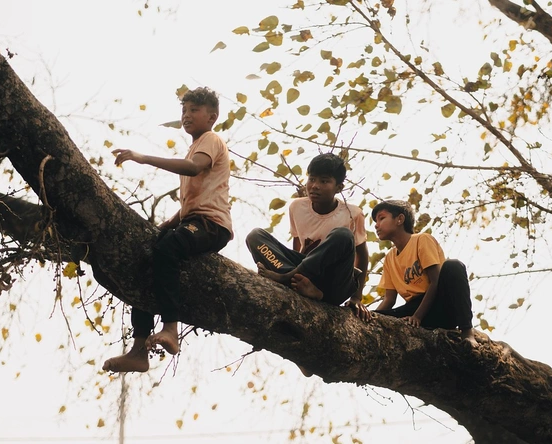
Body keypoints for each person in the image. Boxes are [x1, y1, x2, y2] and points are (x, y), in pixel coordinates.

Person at [102, 86, 234, 373]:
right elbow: (191, 206)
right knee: (146, 258)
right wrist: (164, 226)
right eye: (184, 110)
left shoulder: (211, 140)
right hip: (193, 222)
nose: (186, 115)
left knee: (167, 249)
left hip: (211, 226)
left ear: (212, 117)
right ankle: (139, 350)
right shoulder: (195, 146)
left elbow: (193, 168)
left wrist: (143, 158)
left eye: (194, 110)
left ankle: (171, 329)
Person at [245, 153, 370, 320]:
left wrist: (356, 297)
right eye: (312, 179)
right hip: (306, 275)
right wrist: (296, 272)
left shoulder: (352, 213)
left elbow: (362, 255)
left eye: (324, 181)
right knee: (255, 236)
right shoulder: (297, 207)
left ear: (339, 187)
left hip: (335, 283)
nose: (315, 186)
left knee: (343, 235)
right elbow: (297, 245)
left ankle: (291, 279)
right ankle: (293, 278)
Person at [371, 200, 477, 345]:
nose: (376, 225)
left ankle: (467, 332)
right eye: (375, 221)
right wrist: (369, 316)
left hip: (440, 303)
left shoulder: (422, 239)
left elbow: (435, 281)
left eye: (381, 218)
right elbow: (389, 300)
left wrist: (417, 316)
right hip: (414, 308)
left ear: (400, 219)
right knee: (379, 316)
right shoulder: (389, 258)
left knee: (453, 266)